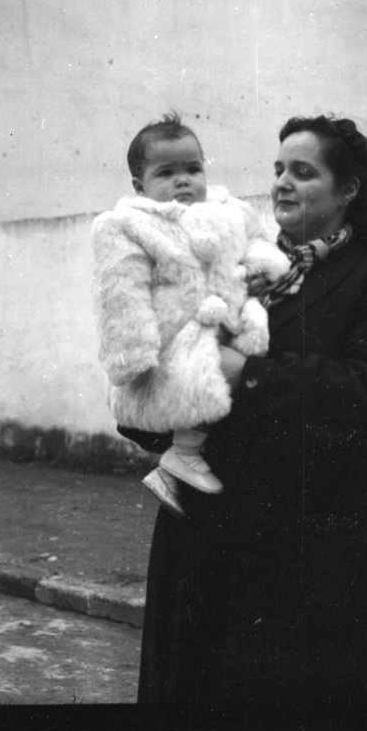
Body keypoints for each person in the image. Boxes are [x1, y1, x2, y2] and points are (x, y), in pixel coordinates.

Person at [122, 115, 367, 710]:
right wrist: (148, 393)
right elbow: (151, 399)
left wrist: (249, 375)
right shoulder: (240, 270)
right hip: (206, 548)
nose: (283, 183)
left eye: (304, 171)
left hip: (318, 556)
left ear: (348, 191)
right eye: (278, 170)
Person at [91, 113, 290, 519]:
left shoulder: (227, 209)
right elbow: (120, 290)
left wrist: (261, 269)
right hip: (174, 326)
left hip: (228, 315)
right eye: (166, 172)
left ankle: (181, 464)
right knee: (189, 383)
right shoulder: (128, 225)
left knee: (244, 362)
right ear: (139, 185)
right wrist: (132, 353)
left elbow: (253, 242)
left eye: (193, 169)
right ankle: (182, 454)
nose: (184, 180)